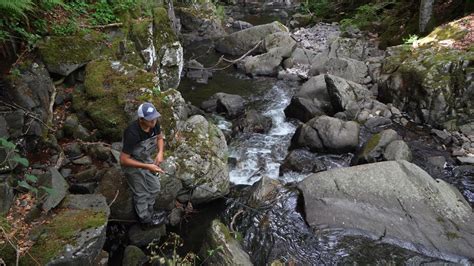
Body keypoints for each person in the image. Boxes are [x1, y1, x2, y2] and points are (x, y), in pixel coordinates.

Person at [120, 102, 167, 226]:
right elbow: (124, 159)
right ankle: (145, 220)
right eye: (150, 119)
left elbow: (160, 138)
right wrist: (148, 166)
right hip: (131, 164)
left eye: (155, 117)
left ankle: (150, 211)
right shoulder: (132, 133)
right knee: (142, 193)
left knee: (155, 187)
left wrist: (160, 153)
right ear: (141, 119)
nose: (154, 122)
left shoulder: (155, 124)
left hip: (145, 160)